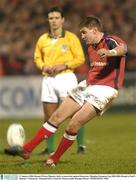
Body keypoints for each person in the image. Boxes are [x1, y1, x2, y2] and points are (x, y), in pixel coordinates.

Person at [5, 16, 127, 166]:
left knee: (74, 124)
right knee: (56, 116)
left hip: (105, 89)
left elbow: (123, 48)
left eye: (84, 32)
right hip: (87, 85)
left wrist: (111, 53)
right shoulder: (91, 47)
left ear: (94, 30)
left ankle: (54, 158)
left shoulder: (110, 41)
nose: (82, 36)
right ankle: (27, 150)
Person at [33, 6, 86, 155]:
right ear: (48, 20)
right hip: (48, 79)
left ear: (62, 20)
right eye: (51, 18)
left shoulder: (71, 37)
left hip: (67, 77)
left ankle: (81, 145)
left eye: (57, 18)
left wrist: (64, 65)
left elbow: (80, 58)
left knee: (74, 113)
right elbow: (37, 57)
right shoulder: (42, 39)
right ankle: (49, 148)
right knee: (49, 115)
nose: (54, 21)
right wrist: (44, 66)